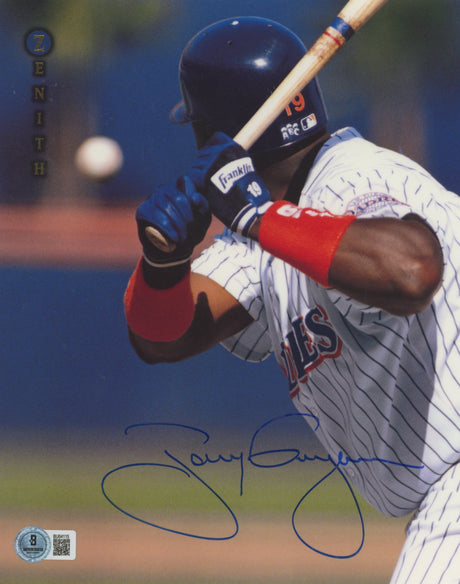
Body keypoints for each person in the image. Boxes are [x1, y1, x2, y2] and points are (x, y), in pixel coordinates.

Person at [124, 16, 460, 583]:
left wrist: (258, 214)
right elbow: (163, 339)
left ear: (208, 132)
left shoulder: (354, 179)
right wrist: (164, 265)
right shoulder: (268, 230)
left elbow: (411, 270)